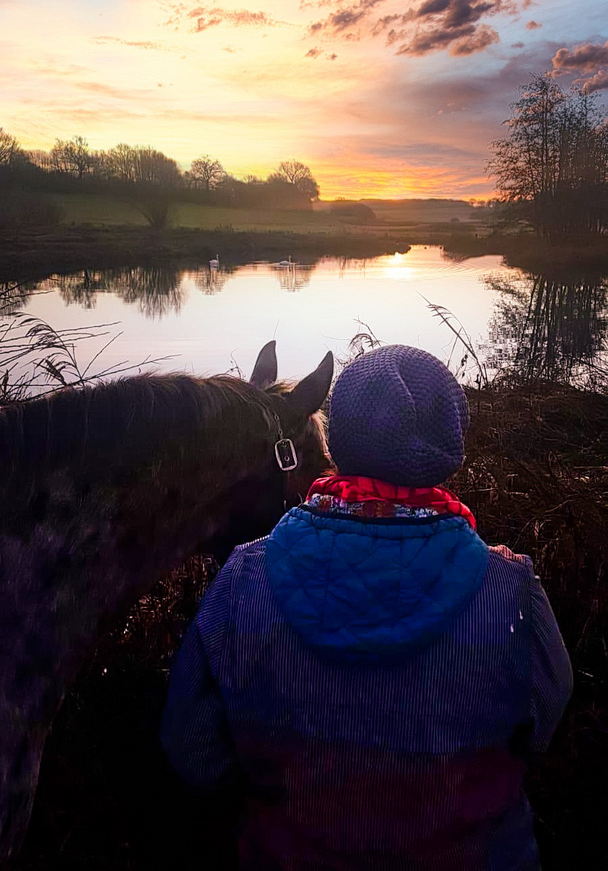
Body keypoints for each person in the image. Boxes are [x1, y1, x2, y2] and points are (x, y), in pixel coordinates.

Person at [162, 344, 573, 870]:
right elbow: (541, 732)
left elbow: (192, 750)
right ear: (448, 445)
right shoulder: (510, 591)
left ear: (339, 438)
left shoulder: (243, 581)